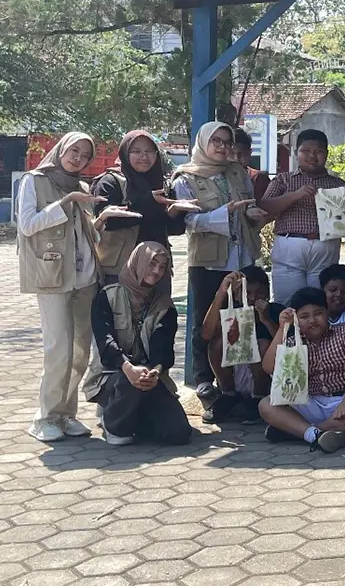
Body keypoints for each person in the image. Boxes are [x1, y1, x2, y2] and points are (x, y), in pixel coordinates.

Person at [172, 121, 267, 411]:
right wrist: (221, 215)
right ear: (202, 142)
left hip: (242, 255)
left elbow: (247, 204)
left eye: (227, 142)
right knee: (207, 321)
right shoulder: (185, 178)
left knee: (242, 319)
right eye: (217, 141)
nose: (223, 147)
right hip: (209, 260)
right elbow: (187, 221)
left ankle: (241, 384)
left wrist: (252, 212)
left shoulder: (237, 172)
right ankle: (204, 378)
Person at [19, 132, 103, 442]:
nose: (78, 158)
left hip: (85, 278)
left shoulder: (81, 186)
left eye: (85, 155)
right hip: (53, 276)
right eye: (74, 150)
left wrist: (101, 219)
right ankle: (45, 416)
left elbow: (83, 234)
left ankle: (66, 414)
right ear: (61, 149)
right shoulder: (35, 180)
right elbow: (27, 225)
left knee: (80, 352)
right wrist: (65, 203)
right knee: (58, 349)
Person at [257, 288, 345, 454]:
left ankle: (301, 431)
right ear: (297, 320)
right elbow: (268, 367)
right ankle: (318, 435)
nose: (312, 320)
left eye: (318, 313)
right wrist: (282, 328)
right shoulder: (294, 341)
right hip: (311, 402)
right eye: (304, 317)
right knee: (265, 405)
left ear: (327, 313)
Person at [82, 242, 190, 446]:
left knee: (178, 434)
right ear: (138, 263)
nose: (157, 271)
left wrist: (156, 372)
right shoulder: (107, 296)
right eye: (152, 264)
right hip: (114, 375)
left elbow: (164, 348)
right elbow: (106, 342)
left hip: (150, 378)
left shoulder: (164, 305)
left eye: (162, 267)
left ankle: (136, 418)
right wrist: (128, 368)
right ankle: (113, 423)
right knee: (128, 383)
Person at [259, 129, 345, 305]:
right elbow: (265, 207)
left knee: (319, 302)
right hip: (289, 247)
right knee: (287, 303)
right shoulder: (283, 180)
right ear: (296, 153)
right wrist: (295, 195)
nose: (312, 156)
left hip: (325, 248)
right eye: (305, 151)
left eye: (319, 151)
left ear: (327, 154)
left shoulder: (338, 185)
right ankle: (287, 333)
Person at [91, 130, 185, 281]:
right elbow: (108, 222)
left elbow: (175, 229)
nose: (144, 157)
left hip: (157, 268)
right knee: (119, 304)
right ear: (125, 153)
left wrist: (174, 213)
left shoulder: (162, 184)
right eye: (136, 151)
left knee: (158, 305)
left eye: (150, 151)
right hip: (120, 268)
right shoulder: (111, 182)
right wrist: (148, 201)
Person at [198, 267, 283, 424]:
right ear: (237, 295)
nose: (252, 298)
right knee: (217, 343)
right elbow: (206, 334)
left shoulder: (276, 310)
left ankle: (256, 400)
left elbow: (285, 345)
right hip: (235, 372)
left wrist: (266, 320)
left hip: (266, 379)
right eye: (247, 293)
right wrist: (221, 293)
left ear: (268, 291)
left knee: (262, 345)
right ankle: (228, 395)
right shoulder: (231, 312)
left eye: (259, 293)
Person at [232, 127, 272, 201]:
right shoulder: (219, 178)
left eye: (241, 154)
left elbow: (267, 205)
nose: (236, 158)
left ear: (250, 153)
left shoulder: (259, 178)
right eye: (232, 153)